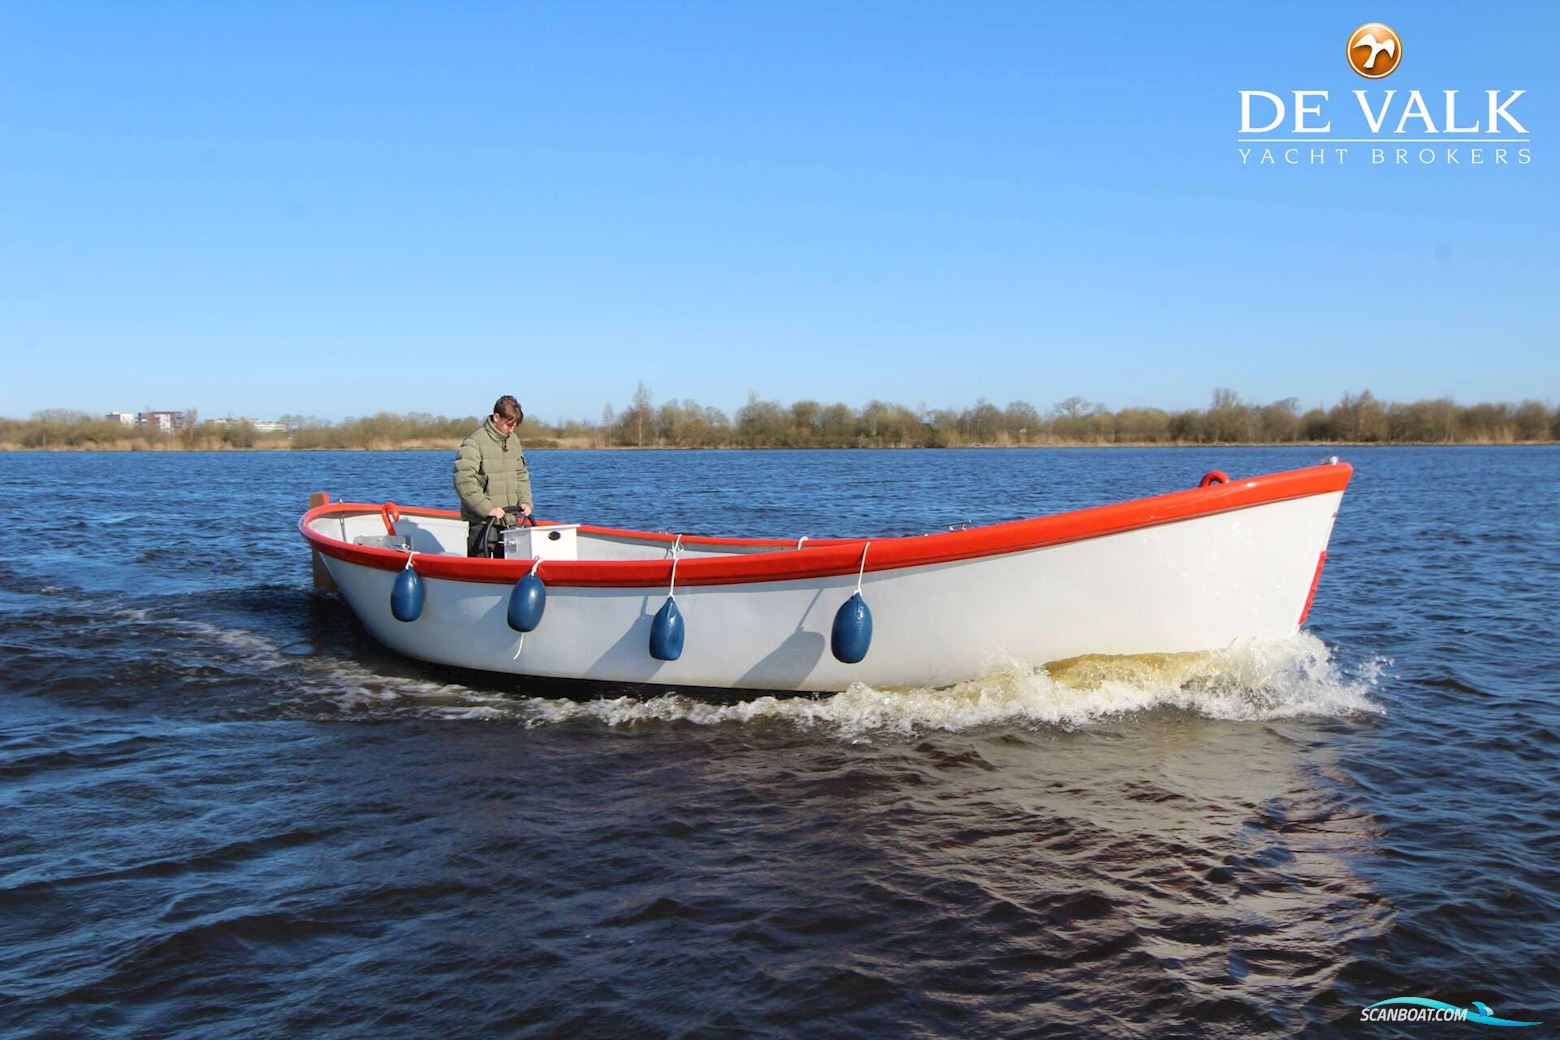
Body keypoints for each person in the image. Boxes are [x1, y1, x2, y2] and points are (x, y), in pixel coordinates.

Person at [453, 395, 534, 557]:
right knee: (479, 567)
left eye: (515, 425)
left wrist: (525, 501)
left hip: (509, 521)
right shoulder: (474, 442)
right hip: (482, 522)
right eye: (508, 424)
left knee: (510, 566)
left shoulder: (513, 441)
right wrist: (487, 509)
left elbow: (521, 474)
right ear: (496, 417)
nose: (511, 429)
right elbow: (463, 481)